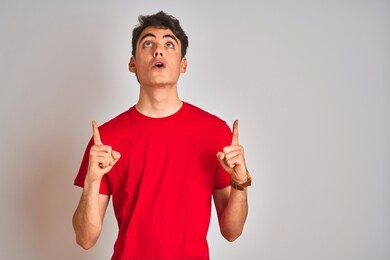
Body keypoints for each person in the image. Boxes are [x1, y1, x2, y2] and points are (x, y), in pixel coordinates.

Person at [72, 10, 252, 260]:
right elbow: (85, 239)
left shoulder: (215, 132)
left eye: (169, 44)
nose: (158, 50)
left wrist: (240, 183)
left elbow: (232, 232)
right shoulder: (106, 139)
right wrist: (91, 184)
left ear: (183, 64)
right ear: (132, 63)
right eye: (148, 43)